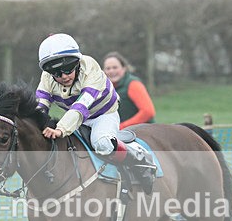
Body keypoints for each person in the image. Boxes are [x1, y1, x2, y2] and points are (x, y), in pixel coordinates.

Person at [36, 33, 156, 193]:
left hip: (103, 115)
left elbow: (81, 107)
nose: (63, 76)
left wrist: (61, 129)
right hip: (76, 119)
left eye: (67, 69)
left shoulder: (91, 70)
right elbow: (40, 105)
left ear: (77, 63)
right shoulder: (47, 78)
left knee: (102, 143)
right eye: (57, 73)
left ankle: (139, 157)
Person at [102, 51, 156, 129]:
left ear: (124, 68)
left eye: (115, 67)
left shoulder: (133, 84)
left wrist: (122, 127)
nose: (111, 71)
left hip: (143, 133)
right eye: (108, 68)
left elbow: (148, 112)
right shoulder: (104, 88)